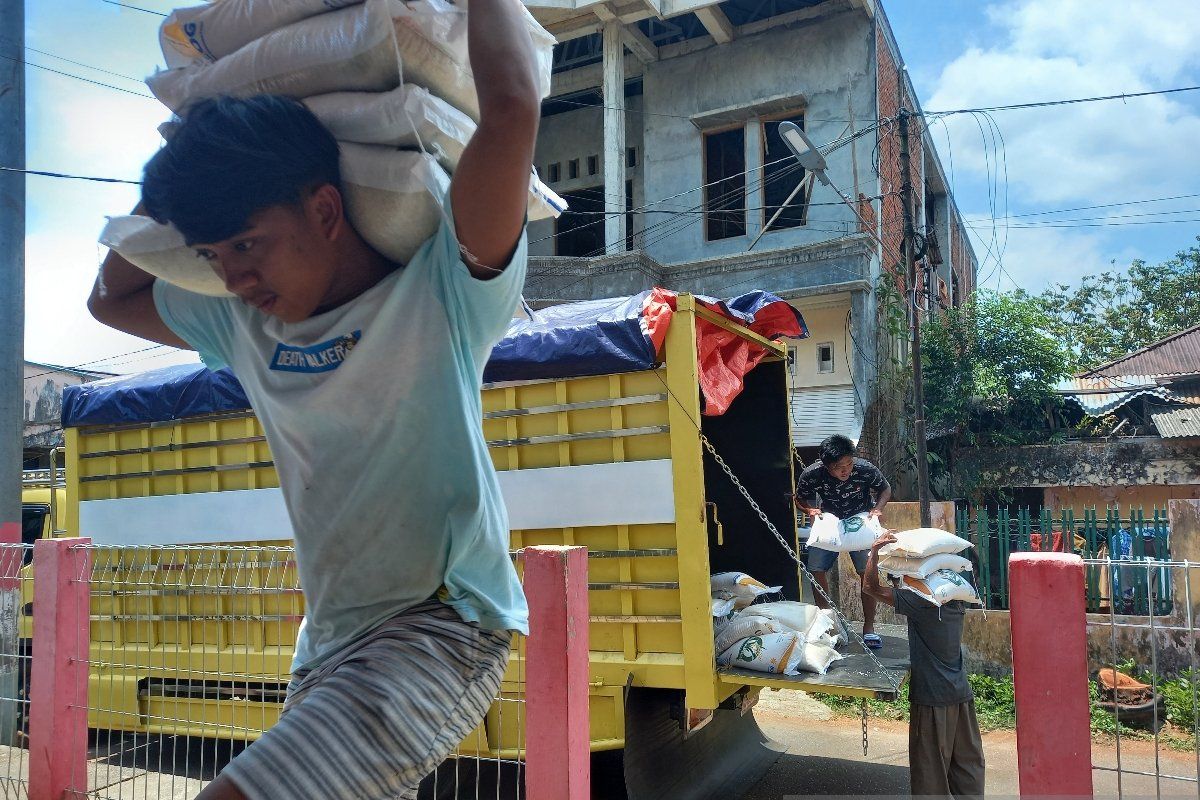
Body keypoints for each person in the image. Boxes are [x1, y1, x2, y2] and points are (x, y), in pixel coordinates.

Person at [86, 1, 540, 797]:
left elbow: (508, 112)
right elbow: (110, 297)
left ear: (325, 209)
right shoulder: (246, 327)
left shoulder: (442, 292)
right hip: (328, 644)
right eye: (211, 256)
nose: (233, 278)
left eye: (248, 244)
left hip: (442, 627)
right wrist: (187, 175)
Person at [862, 532, 986, 798]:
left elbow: (870, 588)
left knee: (930, 778)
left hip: (931, 701)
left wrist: (873, 553)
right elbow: (908, 581)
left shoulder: (922, 602)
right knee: (967, 770)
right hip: (961, 696)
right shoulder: (956, 596)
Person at [794, 434, 891, 647]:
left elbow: (885, 488)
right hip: (829, 522)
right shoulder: (812, 474)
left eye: (849, 463)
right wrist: (809, 509)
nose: (845, 470)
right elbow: (799, 497)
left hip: (860, 521)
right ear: (826, 464)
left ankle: (869, 627)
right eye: (839, 466)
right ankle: (828, 623)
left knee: (867, 572)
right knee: (815, 569)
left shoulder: (865, 469)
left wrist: (878, 508)